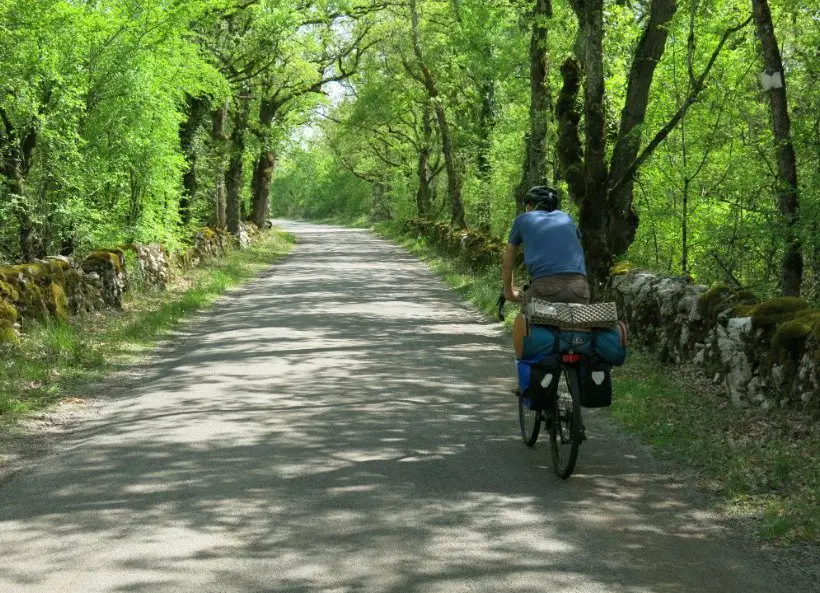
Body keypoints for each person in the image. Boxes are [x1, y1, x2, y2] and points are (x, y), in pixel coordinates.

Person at [503, 185, 590, 357]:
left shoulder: (523, 219)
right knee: (578, 331)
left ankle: (526, 374)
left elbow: (507, 262)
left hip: (544, 287)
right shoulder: (567, 218)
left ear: (532, 205)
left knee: (525, 327)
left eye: (528, 204)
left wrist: (509, 292)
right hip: (580, 287)